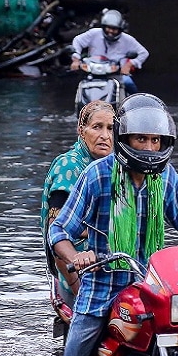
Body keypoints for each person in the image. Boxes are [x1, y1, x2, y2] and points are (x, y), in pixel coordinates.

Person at [49, 93, 178, 356]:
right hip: (101, 290)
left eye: (155, 140)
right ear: (125, 138)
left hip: (152, 288)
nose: (149, 148)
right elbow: (59, 230)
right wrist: (76, 257)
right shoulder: (97, 174)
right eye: (141, 139)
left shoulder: (166, 176)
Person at [41, 100, 116, 309]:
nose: (105, 136)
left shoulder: (113, 167)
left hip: (111, 263)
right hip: (76, 269)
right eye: (97, 127)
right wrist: (79, 290)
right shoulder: (70, 166)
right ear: (81, 131)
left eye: (110, 128)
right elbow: (56, 232)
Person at [70, 8, 149, 95]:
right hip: (93, 74)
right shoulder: (94, 33)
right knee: (79, 87)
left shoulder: (127, 39)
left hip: (117, 74)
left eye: (114, 29)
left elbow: (144, 53)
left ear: (120, 29)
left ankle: (132, 105)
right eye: (108, 28)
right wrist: (76, 59)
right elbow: (77, 40)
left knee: (129, 84)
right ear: (104, 26)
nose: (111, 31)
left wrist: (129, 64)